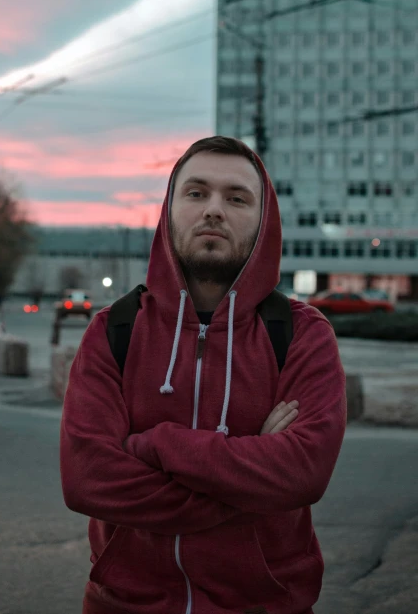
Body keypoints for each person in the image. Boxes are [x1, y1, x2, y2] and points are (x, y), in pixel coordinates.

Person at [60, 136, 347, 614]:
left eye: (237, 198)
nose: (214, 209)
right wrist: (250, 475)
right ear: (169, 211)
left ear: (263, 221)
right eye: (196, 193)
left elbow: (304, 473)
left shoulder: (301, 334)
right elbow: (87, 481)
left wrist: (153, 445)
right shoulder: (114, 330)